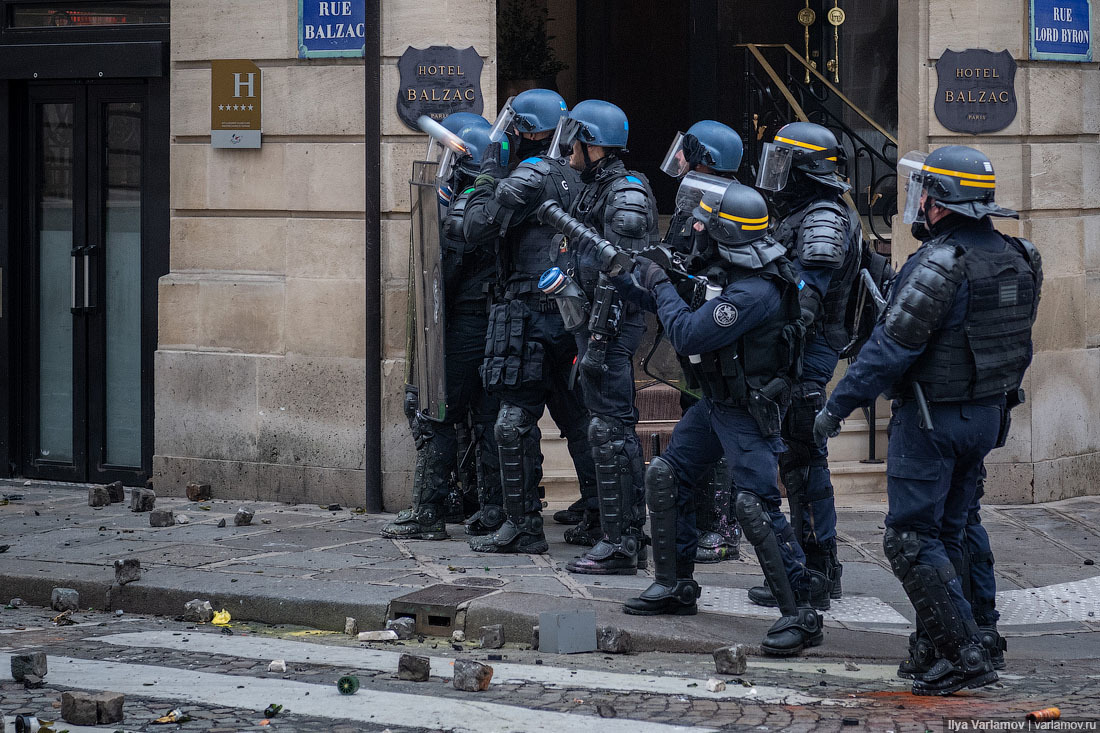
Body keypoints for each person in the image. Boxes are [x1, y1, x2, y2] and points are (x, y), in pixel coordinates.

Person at [815, 145, 1041, 695]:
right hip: (986, 416)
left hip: (931, 419)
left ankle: (963, 652)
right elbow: (1019, 343)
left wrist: (834, 409)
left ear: (940, 204)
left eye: (926, 197)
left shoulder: (941, 262)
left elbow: (889, 350)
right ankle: (969, 639)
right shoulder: (1022, 254)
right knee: (957, 528)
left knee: (911, 538)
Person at [618, 180, 829, 655]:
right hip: (717, 403)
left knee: (755, 505)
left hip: (747, 411)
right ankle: (676, 586)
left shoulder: (754, 290)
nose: (695, 229)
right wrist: (625, 278)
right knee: (667, 476)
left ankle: (801, 614)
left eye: (705, 225)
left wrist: (660, 283)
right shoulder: (731, 270)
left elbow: (691, 333)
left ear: (725, 234)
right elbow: (682, 302)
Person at [462, 89, 599, 553]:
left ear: (526, 131)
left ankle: (523, 525)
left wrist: (487, 172)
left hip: (528, 310)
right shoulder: (580, 172)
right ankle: (600, 514)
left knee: (513, 419)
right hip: (571, 312)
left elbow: (476, 224)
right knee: (579, 417)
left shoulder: (530, 173)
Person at [748, 122, 861, 607]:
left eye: (782, 161)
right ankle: (814, 568)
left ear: (802, 169)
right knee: (796, 457)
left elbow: (806, 303)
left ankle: (816, 570)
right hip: (796, 347)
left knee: (803, 457)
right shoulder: (803, 212)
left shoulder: (822, 219)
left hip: (808, 351)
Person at [547, 100, 660, 574]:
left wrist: (596, 345)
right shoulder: (596, 186)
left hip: (609, 328)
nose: (569, 149)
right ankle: (615, 532)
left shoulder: (625, 194)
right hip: (592, 323)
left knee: (610, 430)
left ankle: (623, 541)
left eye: (575, 140)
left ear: (593, 145)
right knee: (604, 426)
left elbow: (622, 277)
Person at [383, 118, 500, 540]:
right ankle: (493, 510)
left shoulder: (468, 204)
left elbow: (441, 276)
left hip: (466, 323)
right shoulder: (501, 196)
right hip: (497, 323)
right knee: (490, 420)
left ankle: (429, 511)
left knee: (435, 411)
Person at [658, 120, 747, 564]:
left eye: (688, 151)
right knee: (696, 413)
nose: (680, 159)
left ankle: (721, 527)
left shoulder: (728, 205)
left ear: (706, 159)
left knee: (717, 423)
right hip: (695, 326)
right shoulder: (696, 197)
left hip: (719, 329)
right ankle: (702, 520)